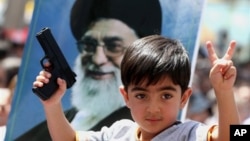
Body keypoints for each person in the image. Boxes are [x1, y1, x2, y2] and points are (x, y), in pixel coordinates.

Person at [33, 35, 239, 141]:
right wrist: (52, 105)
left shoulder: (190, 134)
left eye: (166, 95)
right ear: (126, 96)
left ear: (184, 97)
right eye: (141, 95)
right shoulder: (118, 133)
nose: (153, 107)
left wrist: (224, 92)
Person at [15, 0, 161, 140]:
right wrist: (52, 105)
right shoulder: (51, 125)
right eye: (89, 45)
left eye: (114, 47)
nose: (98, 59)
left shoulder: (143, 130)